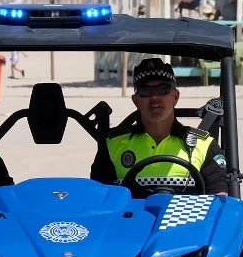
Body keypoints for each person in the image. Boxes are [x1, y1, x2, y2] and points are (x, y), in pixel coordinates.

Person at [91, 58, 227, 197]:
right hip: (130, 218)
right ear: (136, 100)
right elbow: (97, 200)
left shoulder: (204, 145)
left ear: (175, 97)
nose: (155, 97)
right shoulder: (112, 145)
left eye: (163, 89)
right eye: (145, 91)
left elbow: (220, 203)